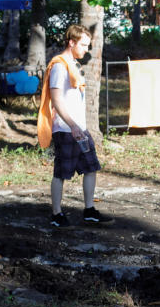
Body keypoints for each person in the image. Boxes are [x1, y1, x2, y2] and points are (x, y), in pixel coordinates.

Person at [37, 24, 112, 228]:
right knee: (61, 172)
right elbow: (57, 99)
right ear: (72, 42)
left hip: (80, 129)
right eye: (84, 45)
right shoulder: (59, 66)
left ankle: (89, 210)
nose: (86, 50)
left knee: (91, 166)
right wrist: (72, 125)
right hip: (65, 129)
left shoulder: (73, 64)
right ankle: (56, 214)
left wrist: (80, 126)